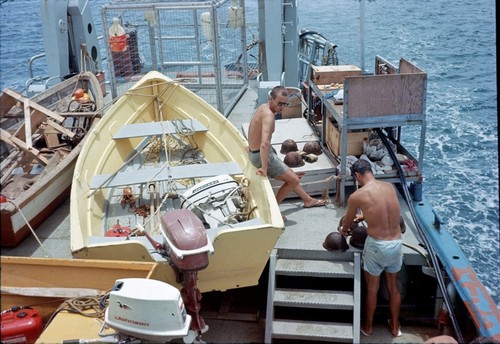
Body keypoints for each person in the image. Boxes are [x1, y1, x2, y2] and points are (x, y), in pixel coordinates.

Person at [339, 159, 403, 337]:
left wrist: (344, 230)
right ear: (370, 171)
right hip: (397, 242)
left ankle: (367, 327)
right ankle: (395, 326)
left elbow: (347, 221)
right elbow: (384, 211)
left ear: (357, 175)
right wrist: (364, 216)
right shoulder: (389, 187)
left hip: (377, 246)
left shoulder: (357, 196)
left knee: (372, 289)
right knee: (393, 286)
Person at [246, 86, 325, 218]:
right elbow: (264, 144)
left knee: (291, 176)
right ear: (271, 99)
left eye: (285, 104)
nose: (282, 107)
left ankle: (308, 200)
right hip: (261, 156)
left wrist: (250, 146)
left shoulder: (262, 107)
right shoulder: (269, 116)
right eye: (279, 103)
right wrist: (264, 167)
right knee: (293, 180)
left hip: (256, 152)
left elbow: (254, 128)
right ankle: (274, 211)